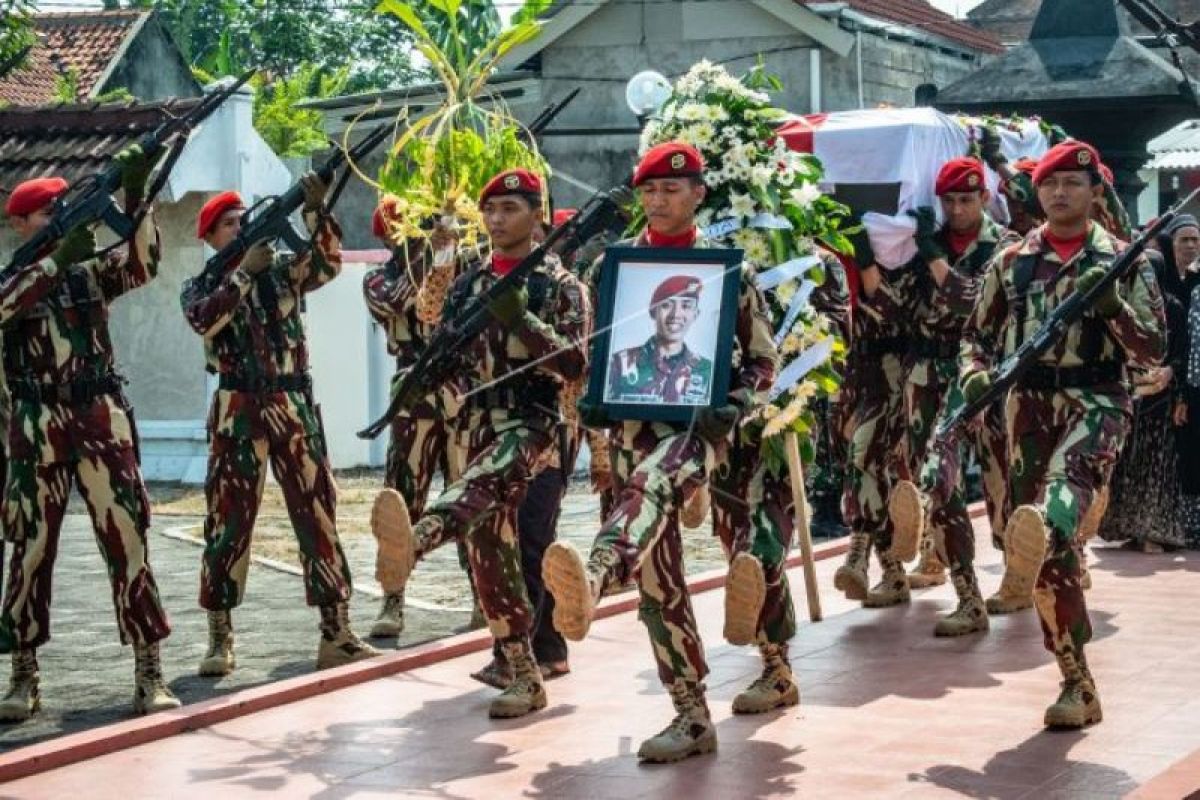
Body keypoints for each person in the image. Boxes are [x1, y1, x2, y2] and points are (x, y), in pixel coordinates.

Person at [543, 141, 782, 763]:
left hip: (695, 435)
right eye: (649, 190)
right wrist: (591, 401)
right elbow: (596, 354)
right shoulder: (613, 271)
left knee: (652, 487)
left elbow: (763, 361)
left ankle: (594, 576)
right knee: (659, 581)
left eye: (672, 190)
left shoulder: (729, 271)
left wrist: (736, 402)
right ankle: (691, 713)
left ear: (698, 193)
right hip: (627, 435)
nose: (658, 200)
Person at [369, 168, 591, 719]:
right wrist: (443, 248)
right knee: (490, 548)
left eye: (509, 209)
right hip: (474, 425)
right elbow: (430, 319)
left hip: (533, 426)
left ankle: (416, 540)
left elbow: (574, 362)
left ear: (537, 215)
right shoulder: (472, 282)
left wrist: (524, 319)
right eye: (489, 210)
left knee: (487, 495)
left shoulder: (560, 286)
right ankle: (521, 671)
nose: (496, 220)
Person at [961, 139, 1165, 728]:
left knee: (1053, 508)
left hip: (1097, 400)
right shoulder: (1012, 260)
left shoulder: (1124, 260)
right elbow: (975, 338)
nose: (1059, 192)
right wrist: (976, 379)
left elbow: (1152, 349)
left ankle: (1064, 514)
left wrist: (1112, 308)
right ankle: (1076, 679)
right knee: (1050, 552)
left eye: (1073, 184)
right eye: (1050, 184)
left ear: (1096, 193)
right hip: (1028, 408)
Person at [0, 148, 180, 721]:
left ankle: (149, 670)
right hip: (37, 424)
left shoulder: (91, 270)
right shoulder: (13, 279)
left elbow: (142, 263)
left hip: (99, 417)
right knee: (29, 548)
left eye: (60, 210)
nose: (57, 219)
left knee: (127, 538)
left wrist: (135, 195)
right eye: (47, 213)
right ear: (19, 223)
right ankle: (23, 676)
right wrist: (52, 266)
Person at [181, 177, 378, 676]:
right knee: (228, 520)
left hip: (292, 402)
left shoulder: (285, 274)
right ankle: (220, 638)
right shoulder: (202, 284)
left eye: (243, 219)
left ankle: (337, 631)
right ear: (210, 238)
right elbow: (204, 320)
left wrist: (316, 212)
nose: (241, 227)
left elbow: (328, 264)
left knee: (318, 513)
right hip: (238, 407)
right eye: (229, 224)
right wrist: (242, 277)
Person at [886, 157, 1018, 635]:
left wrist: (933, 256)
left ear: (985, 198)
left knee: (1004, 480)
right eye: (949, 200)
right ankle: (967, 593)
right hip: (927, 374)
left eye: (967, 199)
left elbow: (973, 301)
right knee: (936, 479)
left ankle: (1019, 573)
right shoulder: (923, 245)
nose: (957, 209)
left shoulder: (1005, 247)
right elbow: (897, 307)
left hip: (980, 376)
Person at [362, 200, 484, 637]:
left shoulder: (457, 263)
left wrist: (451, 243)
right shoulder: (379, 279)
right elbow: (401, 302)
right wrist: (428, 254)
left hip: (458, 391)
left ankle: (480, 597)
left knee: (468, 497)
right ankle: (392, 601)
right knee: (403, 502)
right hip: (413, 395)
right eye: (406, 231)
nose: (415, 235)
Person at [1098, 215, 1194, 550]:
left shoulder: (1177, 307)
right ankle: (1129, 528)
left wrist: (1171, 374)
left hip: (1162, 400)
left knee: (1157, 468)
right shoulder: (1130, 308)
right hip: (1134, 397)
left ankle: (1152, 531)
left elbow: (1184, 351)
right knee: (1129, 466)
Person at [606, 275, 714, 404]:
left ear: (695, 314)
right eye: (666, 305)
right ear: (653, 312)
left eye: (685, 306)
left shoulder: (708, 370)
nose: (675, 315)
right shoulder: (618, 364)